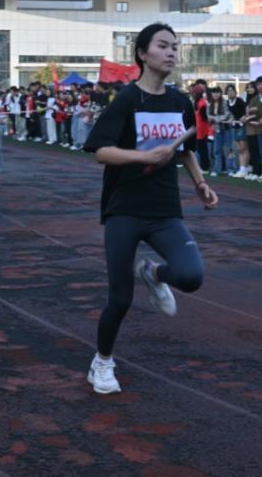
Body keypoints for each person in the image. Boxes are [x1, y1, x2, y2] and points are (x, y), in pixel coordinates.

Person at [82, 22, 217, 395]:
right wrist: (144, 156)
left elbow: (185, 149)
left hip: (164, 209)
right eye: (162, 45)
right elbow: (100, 151)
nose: (171, 52)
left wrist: (200, 183)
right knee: (120, 298)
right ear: (142, 54)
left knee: (190, 276)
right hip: (124, 208)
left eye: (175, 46)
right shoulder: (127, 99)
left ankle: (154, 273)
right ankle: (102, 362)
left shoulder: (179, 102)